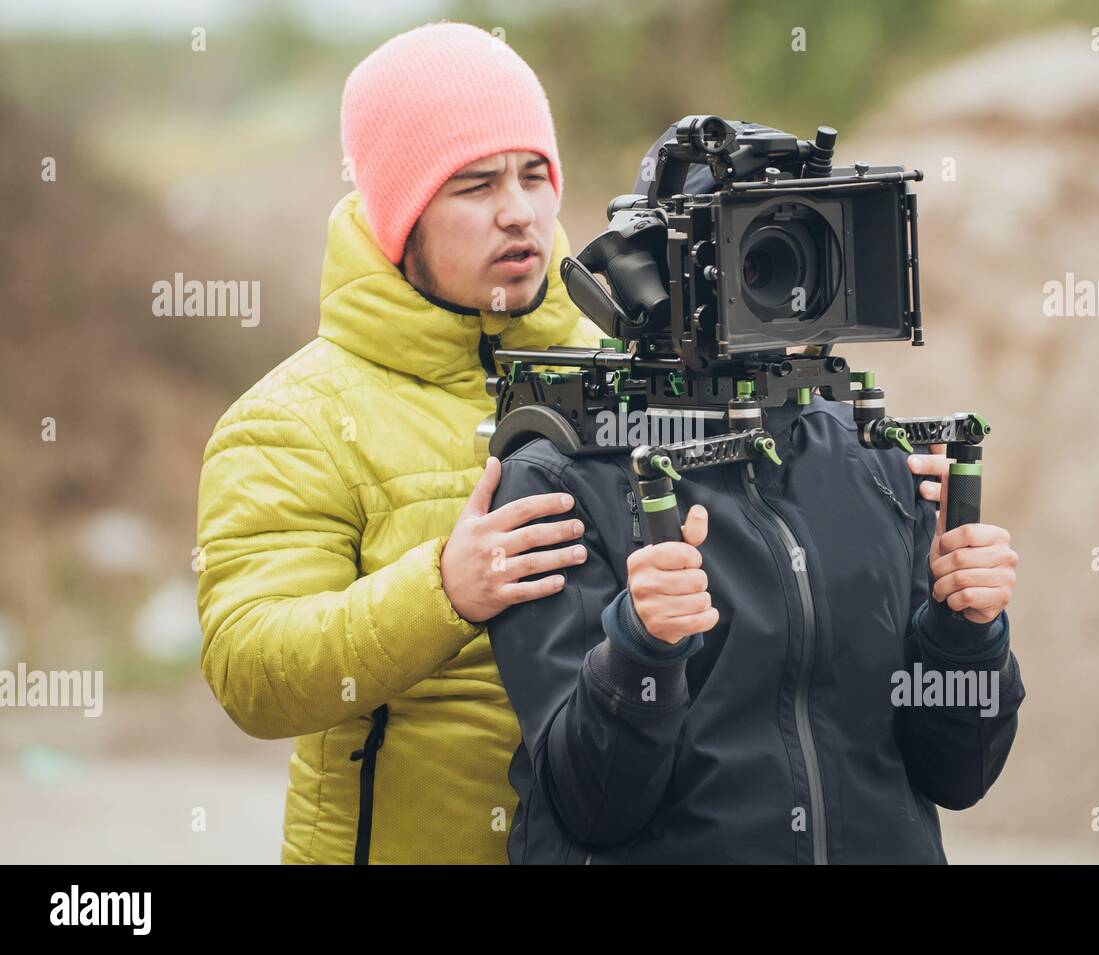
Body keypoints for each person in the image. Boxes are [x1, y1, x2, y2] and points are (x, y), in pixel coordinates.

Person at [485, 137, 1027, 864]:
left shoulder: (879, 461)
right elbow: (595, 806)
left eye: (801, 238)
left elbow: (957, 774)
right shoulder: (560, 478)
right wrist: (642, 648)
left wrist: (968, 630)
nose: (783, 286)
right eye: (755, 253)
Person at [195, 22, 602, 864]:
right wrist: (442, 590)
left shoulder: (628, 378)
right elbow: (250, 670)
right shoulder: (290, 420)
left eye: (535, 174)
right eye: (474, 184)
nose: (518, 210)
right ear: (398, 218)